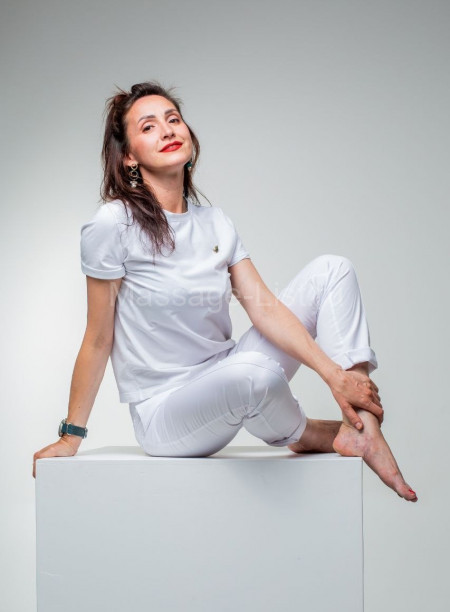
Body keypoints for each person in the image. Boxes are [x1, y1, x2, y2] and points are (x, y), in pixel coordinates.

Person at [32, 81, 417, 503]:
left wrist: (336, 376)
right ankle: (307, 433)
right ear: (128, 157)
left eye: (173, 119)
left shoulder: (215, 222)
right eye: (148, 126)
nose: (167, 130)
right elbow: (98, 338)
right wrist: (70, 436)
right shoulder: (113, 224)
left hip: (226, 371)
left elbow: (264, 309)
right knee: (254, 375)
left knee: (333, 270)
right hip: (166, 411)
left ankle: (363, 428)